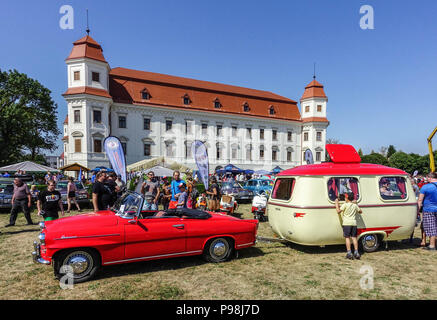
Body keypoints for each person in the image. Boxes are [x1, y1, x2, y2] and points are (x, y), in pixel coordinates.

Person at [335, 192, 363, 260]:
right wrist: (356, 203)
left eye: (345, 197)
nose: (344, 198)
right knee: (354, 238)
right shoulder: (354, 205)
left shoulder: (345, 205)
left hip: (347, 223)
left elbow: (338, 211)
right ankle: (356, 252)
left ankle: (349, 253)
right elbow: (360, 212)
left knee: (347, 238)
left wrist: (336, 204)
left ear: (347, 198)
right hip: (354, 223)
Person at [418, 172, 437, 250]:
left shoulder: (425, 187)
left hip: (429, 209)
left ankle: (432, 245)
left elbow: (420, 200)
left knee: (431, 227)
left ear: (429, 177)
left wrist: (418, 211)